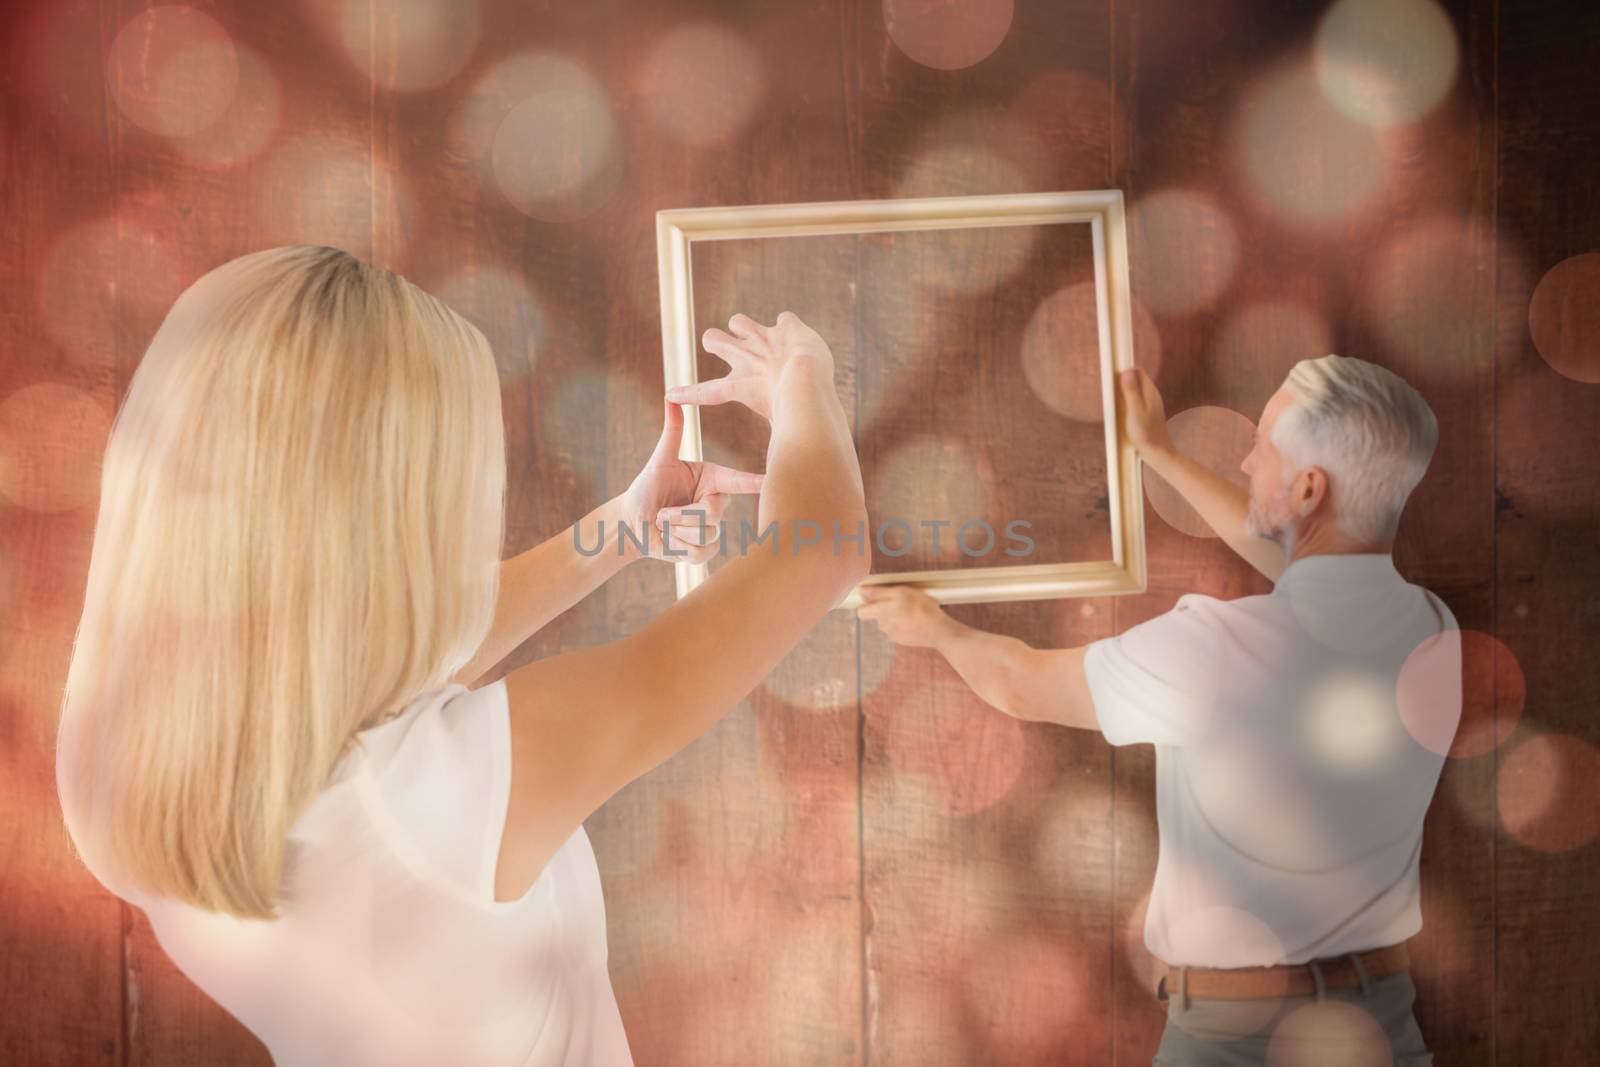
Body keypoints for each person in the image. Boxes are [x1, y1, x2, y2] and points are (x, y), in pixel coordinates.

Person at [54, 245, 869, 1066]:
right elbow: (818, 554)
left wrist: (616, 532)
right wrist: (805, 382)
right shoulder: (463, 792)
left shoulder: (122, 752)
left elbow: (374, 672)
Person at [858, 357, 1461, 1066]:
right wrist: (1161, 456)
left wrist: (937, 629)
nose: (1244, 459)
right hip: (1381, 1028)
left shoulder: (1216, 648)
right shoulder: (1430, 630)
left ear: (1307, 487)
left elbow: (1021, 685)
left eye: (1262, 448)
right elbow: (1304, 558)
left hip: (1235, 1040)